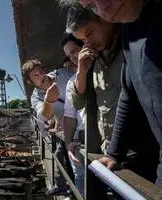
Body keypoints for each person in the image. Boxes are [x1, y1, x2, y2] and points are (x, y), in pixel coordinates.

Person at [62, 0, 162, 185]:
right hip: (114, 154)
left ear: (103, 22)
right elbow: (125, 94)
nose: (102, 8)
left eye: (90, 33)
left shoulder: (132, 37)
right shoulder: (95, 56)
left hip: (144, 153)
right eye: (82, 40)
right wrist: (114, 153)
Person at [66, 5, 123, 154]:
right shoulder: (94, 60)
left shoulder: (129, 47)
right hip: (109, 151)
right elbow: (78, 102)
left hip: (140, 152)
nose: (88, 42)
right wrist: (82, 71)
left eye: (89, 33)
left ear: (104, 17)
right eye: (83, 40)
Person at [23, 59, 74, 196]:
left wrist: (74, 63)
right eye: (35, 75)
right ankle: (64, 187)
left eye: (41, 70)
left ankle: (74, 189)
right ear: (30, 82)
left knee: (75, 161)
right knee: (61, 156)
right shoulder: (36, 96)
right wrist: (49, 100)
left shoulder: (63, 74)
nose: (41, 75)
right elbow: (44, 115)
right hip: (66, 131)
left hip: (82, 122)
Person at [61, 33, 85, 194]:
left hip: (108, 140)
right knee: (82, 180)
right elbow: (69, 115)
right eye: (70, 55)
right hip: (81, 139)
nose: (74, 57)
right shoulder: (72, 81)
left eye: (75, 50)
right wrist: (68, 143)